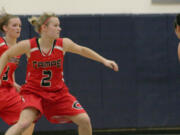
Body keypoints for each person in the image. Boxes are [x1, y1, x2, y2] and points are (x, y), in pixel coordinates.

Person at [0, 12, 119, 135]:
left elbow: (82, 50)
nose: (59, 28)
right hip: (34, 93)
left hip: (58, 93)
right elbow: (6, 55)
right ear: (44, 28)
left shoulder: (63, 44)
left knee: (84, 120)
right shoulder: (29, 45)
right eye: (56, 25)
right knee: (23, 123)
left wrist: (104, 60)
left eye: (59, 25)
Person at [0, 10, 35, 135]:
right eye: (14, 25)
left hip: (7, 92)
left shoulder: (19, 48)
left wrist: (13, 82)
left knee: (28, 119)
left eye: (20, 25)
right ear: (5, 28)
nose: (18, 28)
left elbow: (10, 69)